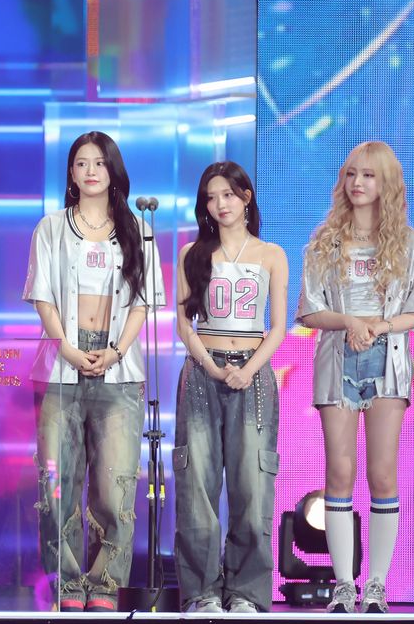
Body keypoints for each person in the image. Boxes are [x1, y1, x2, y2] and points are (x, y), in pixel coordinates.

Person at [22, 131, 164, 612]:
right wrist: (65, 346)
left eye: (99, 163)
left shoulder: (138, 230)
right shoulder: (50, 227)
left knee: (115, 483)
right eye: (81, 163)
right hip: (60, 365)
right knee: (56, 484)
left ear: (113, 170)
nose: (90, 171)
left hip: (119, 368)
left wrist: (117, 350)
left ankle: (104, 586)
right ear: (71, 172)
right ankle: (65, 586)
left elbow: (144, 302)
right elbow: (42, 295)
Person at [297, 141, 414, 614]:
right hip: (337, 360)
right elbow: (310, 312)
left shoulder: (410, 243)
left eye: (369, 175)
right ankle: (344, 585)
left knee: (382, 472)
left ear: (386, 183)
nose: (358, 183)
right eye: (352, 174)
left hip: (387, 362)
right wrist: (349, 322)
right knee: (338, 472)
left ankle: (376, 585)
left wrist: (380, 326)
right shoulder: (324, 242)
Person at [173, 162, 288, 614]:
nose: (219, 204)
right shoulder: (192, 253)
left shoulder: (271, 254)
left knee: (252, 486)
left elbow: (277, 328)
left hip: (253, 376)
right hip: (203, 373)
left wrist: (248, 369)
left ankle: (246, 593)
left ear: (245, 197)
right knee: (197, 486)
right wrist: (213, 366)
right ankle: (202, 593)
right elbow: (185, 325)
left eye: (227, 195)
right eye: (210, 197)